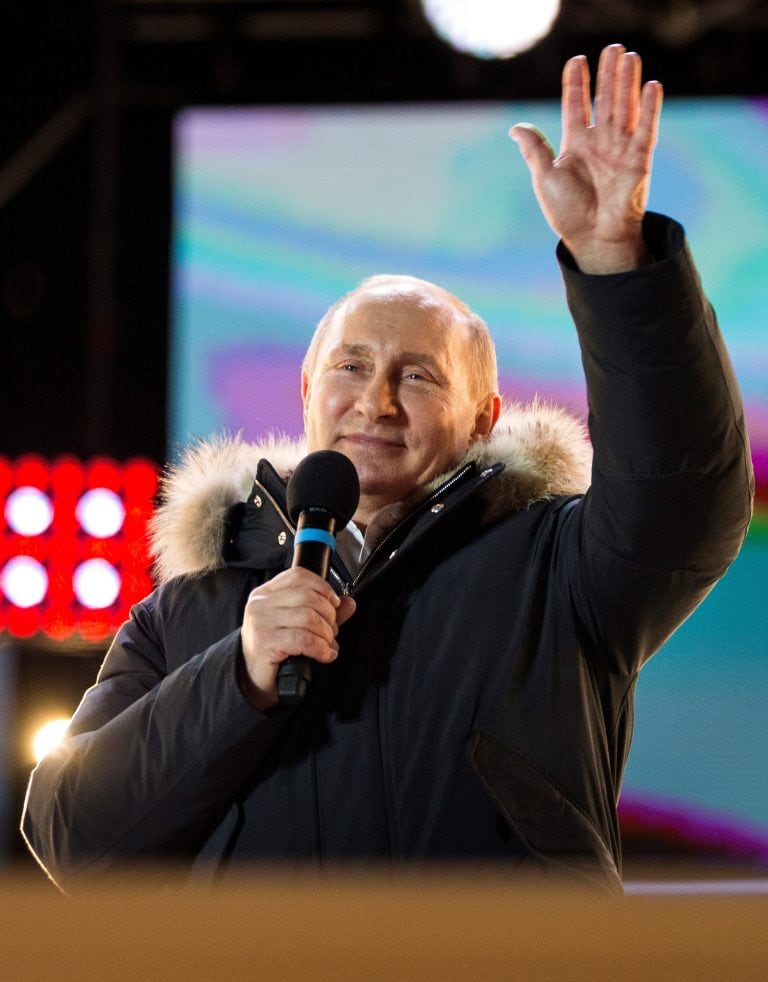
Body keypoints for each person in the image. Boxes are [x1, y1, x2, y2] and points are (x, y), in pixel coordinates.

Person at [22, 45, 753, 892]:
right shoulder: (186, 613)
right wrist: (240, 673)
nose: (376, 402)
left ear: (483, 418)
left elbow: (686, 495)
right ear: (305, 391)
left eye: (419, 374)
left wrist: (617, 262)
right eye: (350, 366)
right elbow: (71, 837)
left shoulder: (558, 570)